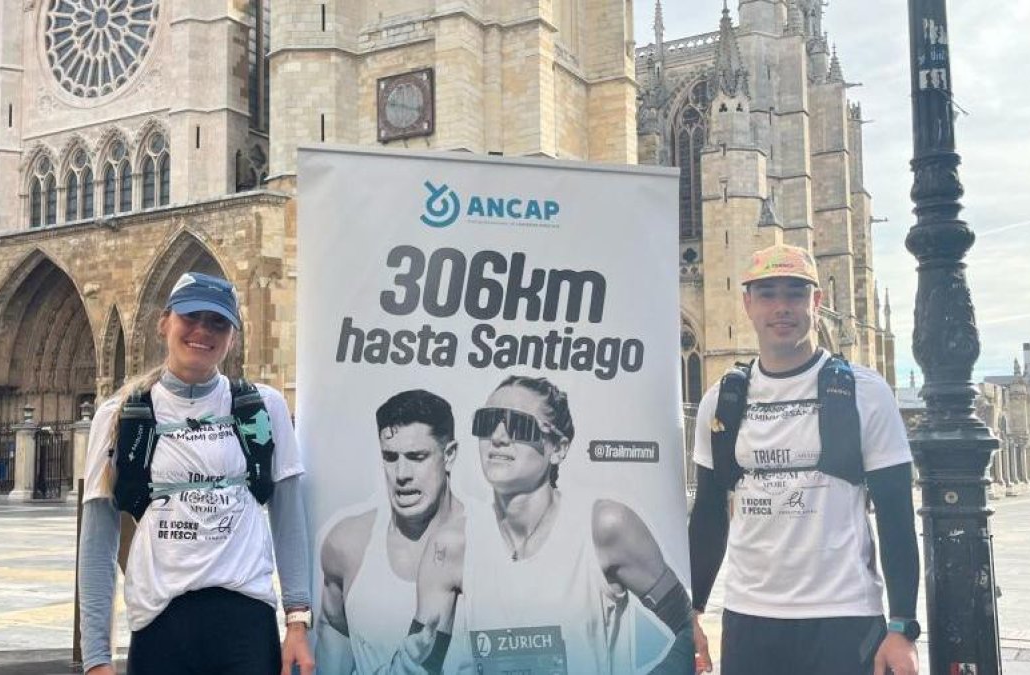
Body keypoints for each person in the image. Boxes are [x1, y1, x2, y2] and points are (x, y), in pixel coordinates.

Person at [688, 244, 920, 675]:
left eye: (795, 293)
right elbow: (708, 512)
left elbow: (895, 514)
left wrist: (902, 626)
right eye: (768, 293)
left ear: (817, 301)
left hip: (844, 613)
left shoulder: (866, 393)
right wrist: (693, 611)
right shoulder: (719, 401)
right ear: (746, 303)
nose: (781, 307)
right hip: (749, 615)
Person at [77, 272, 315, 675]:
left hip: (245, 620)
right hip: (160, 623)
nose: (203, 331)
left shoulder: (264, 408)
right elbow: (98, 539)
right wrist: (96, 657)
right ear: (164, 322)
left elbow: (289, 518)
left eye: (218, 322)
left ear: (233, 337)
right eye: (191, 317)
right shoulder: (118, 416)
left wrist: (297, 621)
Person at [398, 375, 693, 675]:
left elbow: (686, 629)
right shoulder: (450, 545)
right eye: (487, 422)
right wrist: (408, 666)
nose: (498, 437)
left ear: (559, 448)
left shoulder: (604, 527)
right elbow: (421, 661)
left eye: (519, 425)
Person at [316, 389, 465, 674]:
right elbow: (334, 637)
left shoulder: (487, 541)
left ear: (449, 455)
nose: (402, 474)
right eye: (390, 457)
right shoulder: (348, 543)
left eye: (417, 456)